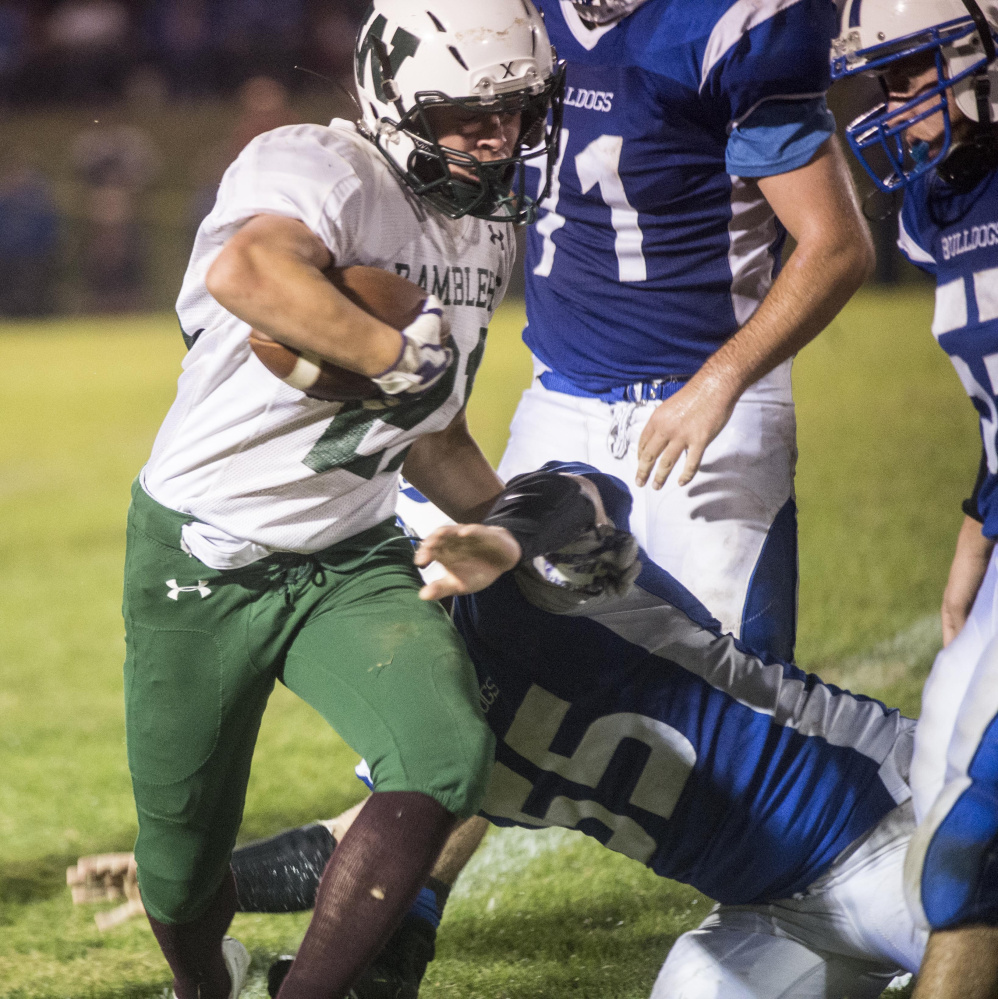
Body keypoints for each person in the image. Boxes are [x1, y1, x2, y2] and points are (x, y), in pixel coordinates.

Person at [74, 463, 929, 999]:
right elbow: (360, 849)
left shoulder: (512, 583)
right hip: (767, 913)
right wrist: (192, 878)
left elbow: (581, 494)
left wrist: (502, 541)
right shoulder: (422, 714)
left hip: (888, 816)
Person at [118, 1, 564, 996]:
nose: (495, 134)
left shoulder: (480, 227)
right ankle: (207, 982)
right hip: (205, 554)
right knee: (180, 867)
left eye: (516, 106)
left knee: (444, 752)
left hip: (349, 560)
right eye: (462, 111)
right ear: (394, 93)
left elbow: (431, 436)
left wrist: (510, 530)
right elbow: (249, 268)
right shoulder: (319, 163)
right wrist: (390, 354)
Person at [491, 0, 875, 665]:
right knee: (500, 668)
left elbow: (838, 245)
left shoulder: (731, 22)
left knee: (730, 690)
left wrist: (719, 382)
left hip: (702, 406)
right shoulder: (518, 16)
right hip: (555, 397)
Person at [831, 3, 998, 997]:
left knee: (973, 831)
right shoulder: (936, 202)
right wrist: (972, 534)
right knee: (935, 763)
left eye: (908, 76)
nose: (892, 106)